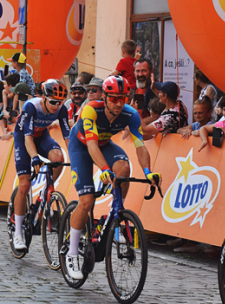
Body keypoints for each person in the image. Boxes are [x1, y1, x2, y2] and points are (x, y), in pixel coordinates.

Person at [65, 76, 160, 280]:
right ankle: (72, 253)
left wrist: (147, 172)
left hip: (104, 144)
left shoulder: (131, 114)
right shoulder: (91, 109)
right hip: (81, 146)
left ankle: (116, 215)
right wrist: (105, 169)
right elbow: (91, 146)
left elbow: (140, 146)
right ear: (105, 97)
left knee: (124, 169)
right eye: (115, 98)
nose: (119, 103)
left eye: (123, 98)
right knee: (86, 201)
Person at [11, 79, 71, 251]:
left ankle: (45, 193)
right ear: (43, 97)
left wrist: (76, 158)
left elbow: (68, 138)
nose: (56, 106)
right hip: (24, 139)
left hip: (42, 137)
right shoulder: (31, 107)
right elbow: (28, 137)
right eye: (52, 102)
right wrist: (35, 158)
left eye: (59, 103)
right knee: (24, 185)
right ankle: (18, 232)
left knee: (58, 157)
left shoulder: (61, 110)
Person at [130, 58, 156, 122]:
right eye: (137, 71)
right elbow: (140, 109)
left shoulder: (154, 89)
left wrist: (135, 124)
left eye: (144, 71)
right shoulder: (139, 87)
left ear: (151, 71)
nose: (140, 74)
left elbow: (155, 117)